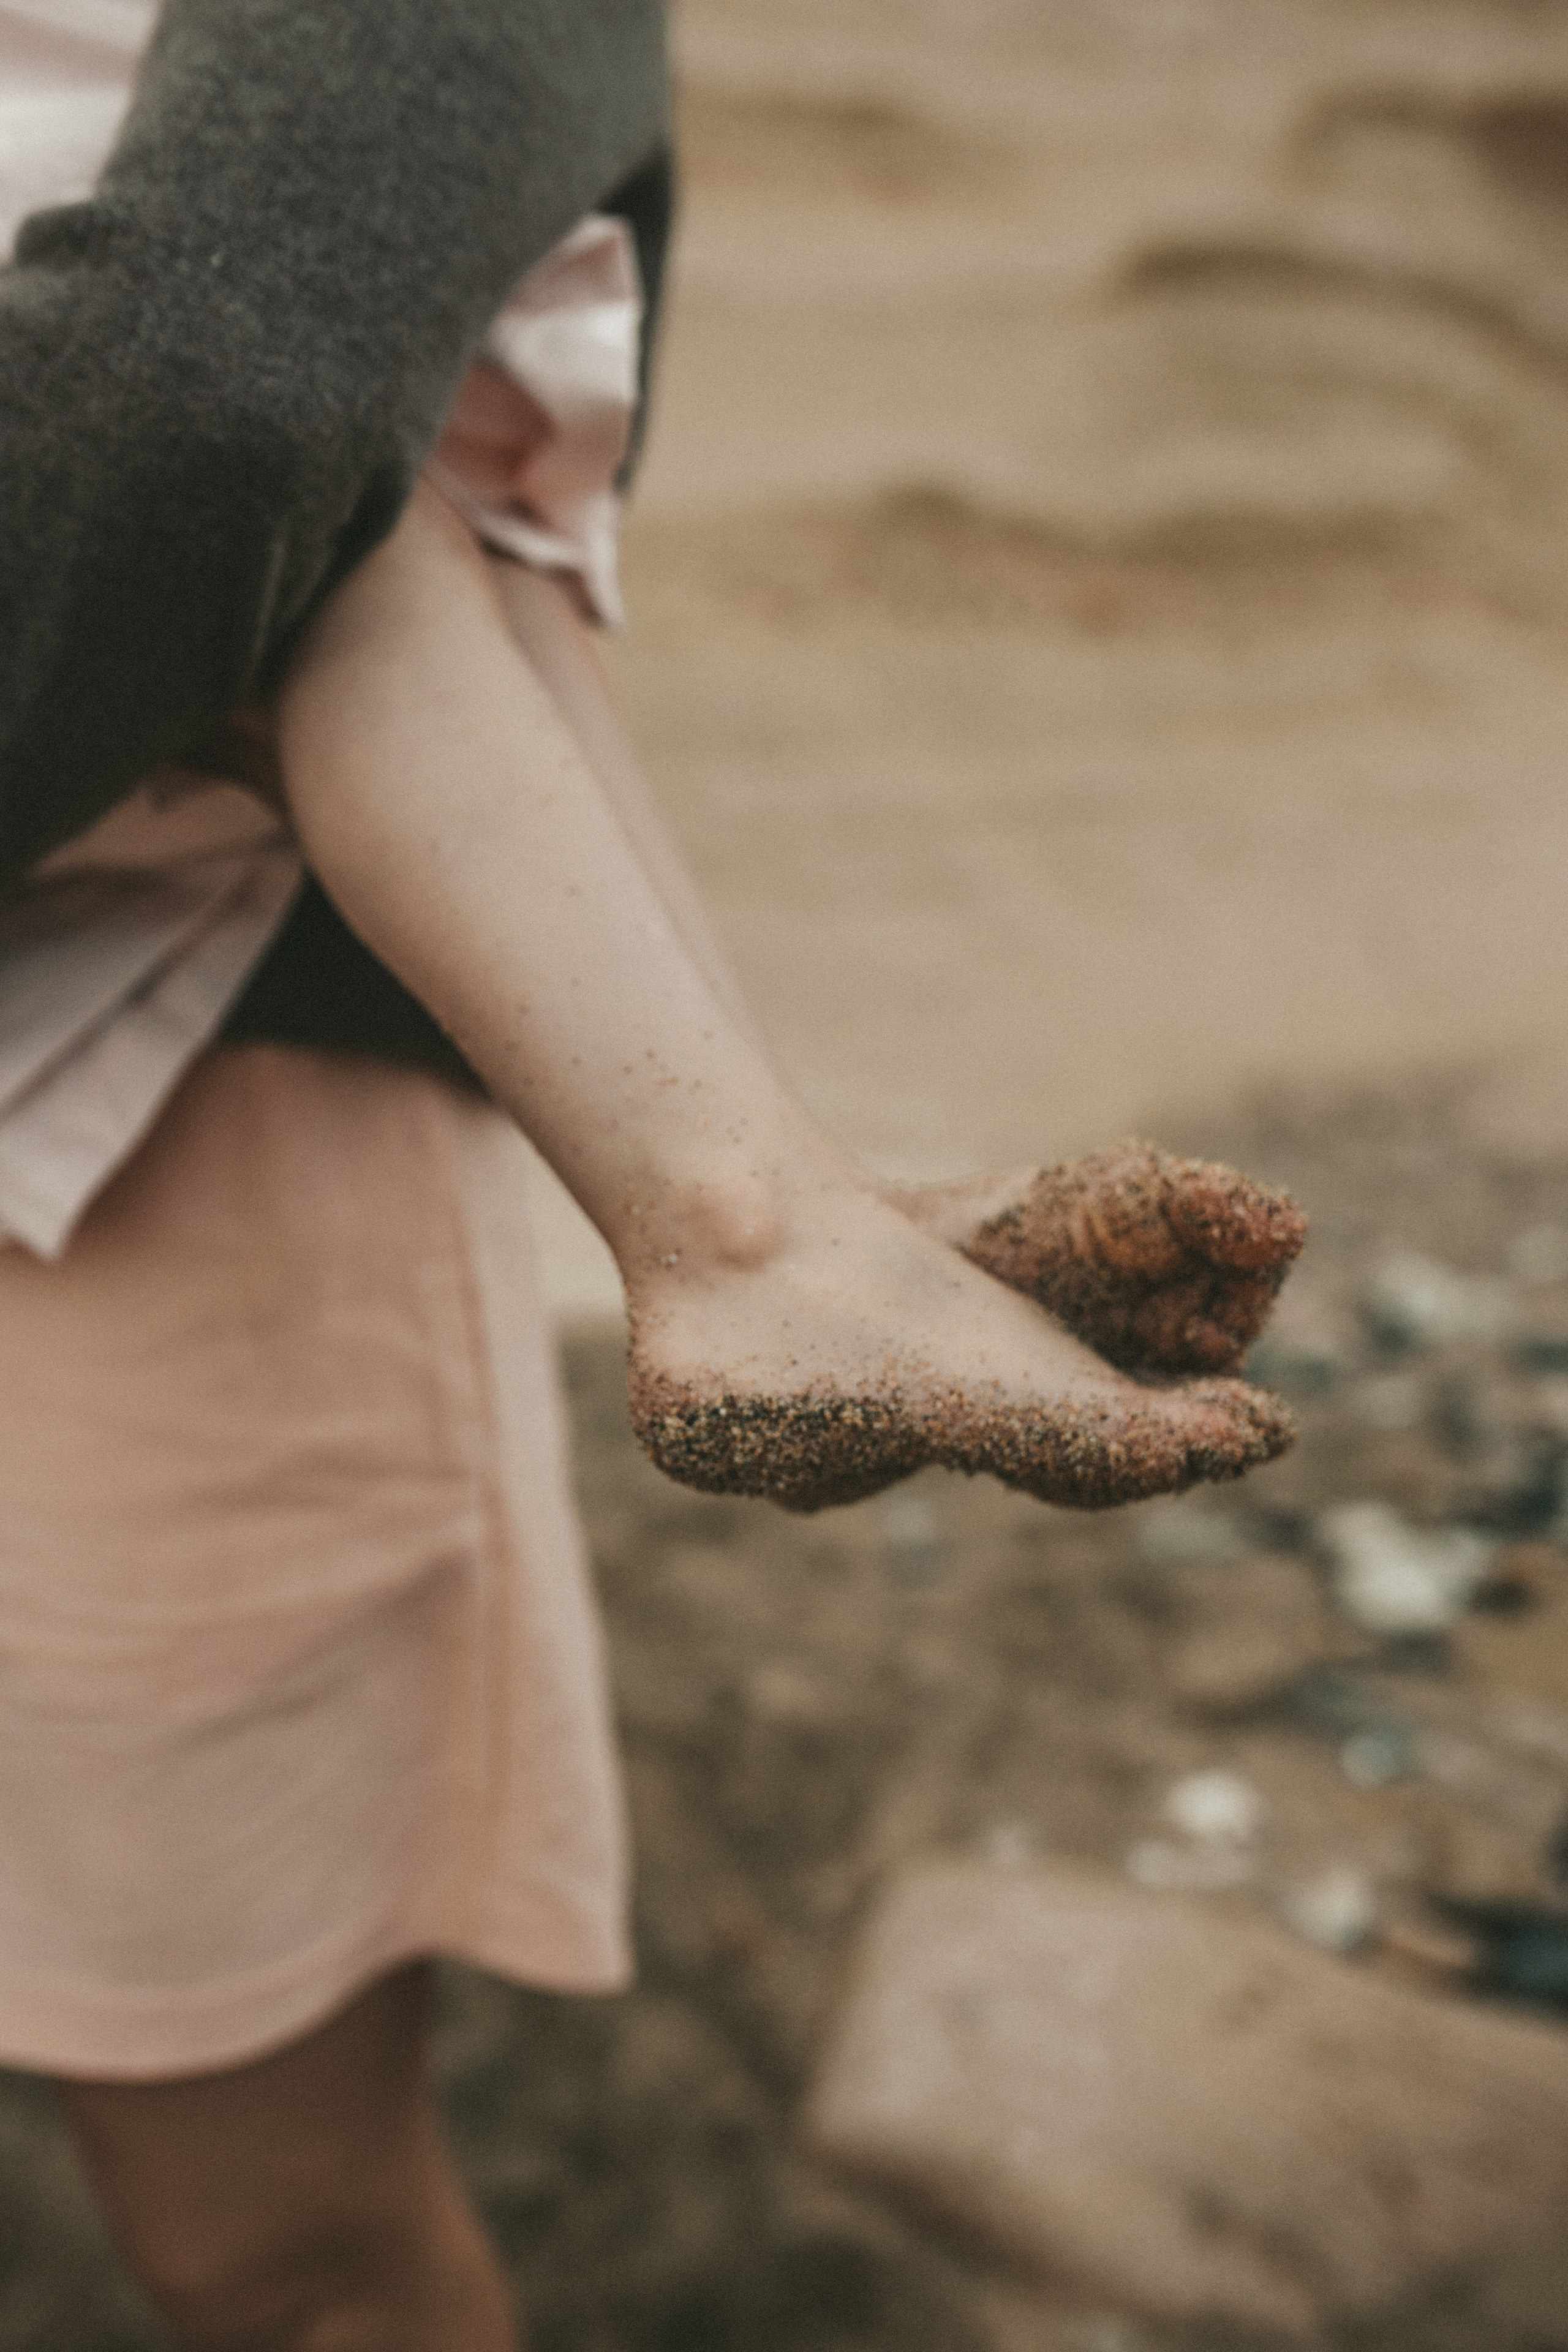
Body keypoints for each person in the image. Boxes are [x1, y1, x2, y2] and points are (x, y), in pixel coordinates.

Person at [0, 5, 1303, 2346]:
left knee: (358, 526)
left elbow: (204, 407)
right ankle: (760, 1200)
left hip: (179, 1131)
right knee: (376, 548)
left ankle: (749, 1202)